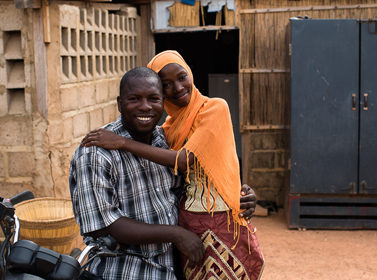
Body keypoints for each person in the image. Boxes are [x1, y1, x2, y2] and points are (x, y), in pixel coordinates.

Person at [81, 51, 264, 280]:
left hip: (201, 235)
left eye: (181, 77)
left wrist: (239, 192)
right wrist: (177, 234)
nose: (177, 88)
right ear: (120, 103)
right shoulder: (163, 131)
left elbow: (192, 163)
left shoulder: (205, 113)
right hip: (133, 267)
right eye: (166, 85)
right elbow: (103, 225)